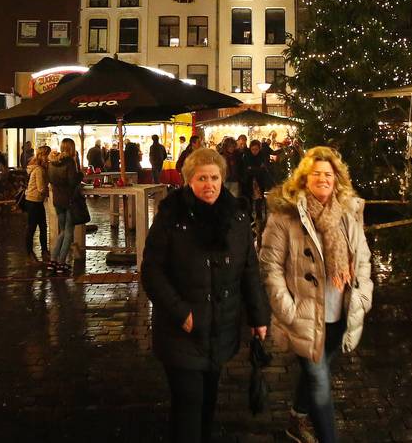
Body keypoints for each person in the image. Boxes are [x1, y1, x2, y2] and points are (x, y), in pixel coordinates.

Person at [141, 148, 270, 443]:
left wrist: (258, 317)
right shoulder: (171, 216)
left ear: (223, 179)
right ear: (188, 180)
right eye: (201, 178)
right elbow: (152, 272)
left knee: (209, 400)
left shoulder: (236, 217)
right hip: (181, 332)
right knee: (189, 403)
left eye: (214, 177)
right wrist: (180, 312)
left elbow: (249, 270)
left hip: (221, 329)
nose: (209, 184)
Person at [260, 147, 373, 443]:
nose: (323, 179)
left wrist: (362, 297)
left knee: (315, 372)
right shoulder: (285, 214)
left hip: (339, 312)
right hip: (304, 314)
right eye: (316, 174)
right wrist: (288, 310)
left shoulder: (348, 213)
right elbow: (270, 267)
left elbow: (362, 259)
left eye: (328, 174)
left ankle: (296, 420)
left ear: (336, 179)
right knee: (320, 382)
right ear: (304, 178)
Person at [48, 138, 83, 274]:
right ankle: (61, 262)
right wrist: (80, 174)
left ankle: (52, 261)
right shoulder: (69, 162)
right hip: (69, 200)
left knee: (62, 231)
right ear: (71, 148)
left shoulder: (52, 162)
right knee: (68, 232)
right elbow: (72, 181)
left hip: (57, 200)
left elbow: (50, 179)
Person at [23, 149, 50, 263]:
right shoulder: (39, 170)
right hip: (34, 201)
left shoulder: (39, 168)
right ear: (42, 156)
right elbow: (41, 188)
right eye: (47, 156)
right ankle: (30, 253)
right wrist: (47, 190)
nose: (48, 158)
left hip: (35, 200)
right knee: (32, 227)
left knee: (43, 227)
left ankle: (44, 251)